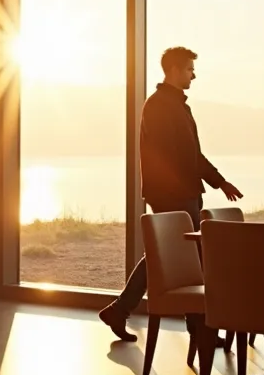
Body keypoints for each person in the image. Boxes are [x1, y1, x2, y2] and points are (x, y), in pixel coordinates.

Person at [99, 46, 242, 342]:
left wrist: (220, 182)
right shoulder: (159, 106)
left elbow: (193, 155)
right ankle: (198, 328)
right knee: (187, 256)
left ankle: (121, 310)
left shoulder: (177, 106)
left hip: (183, 194)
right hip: (172, 196)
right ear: (175, 70)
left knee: (165, 255)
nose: (194, 74)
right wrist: (191, 191)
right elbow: (172, 158)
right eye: (190, 69)